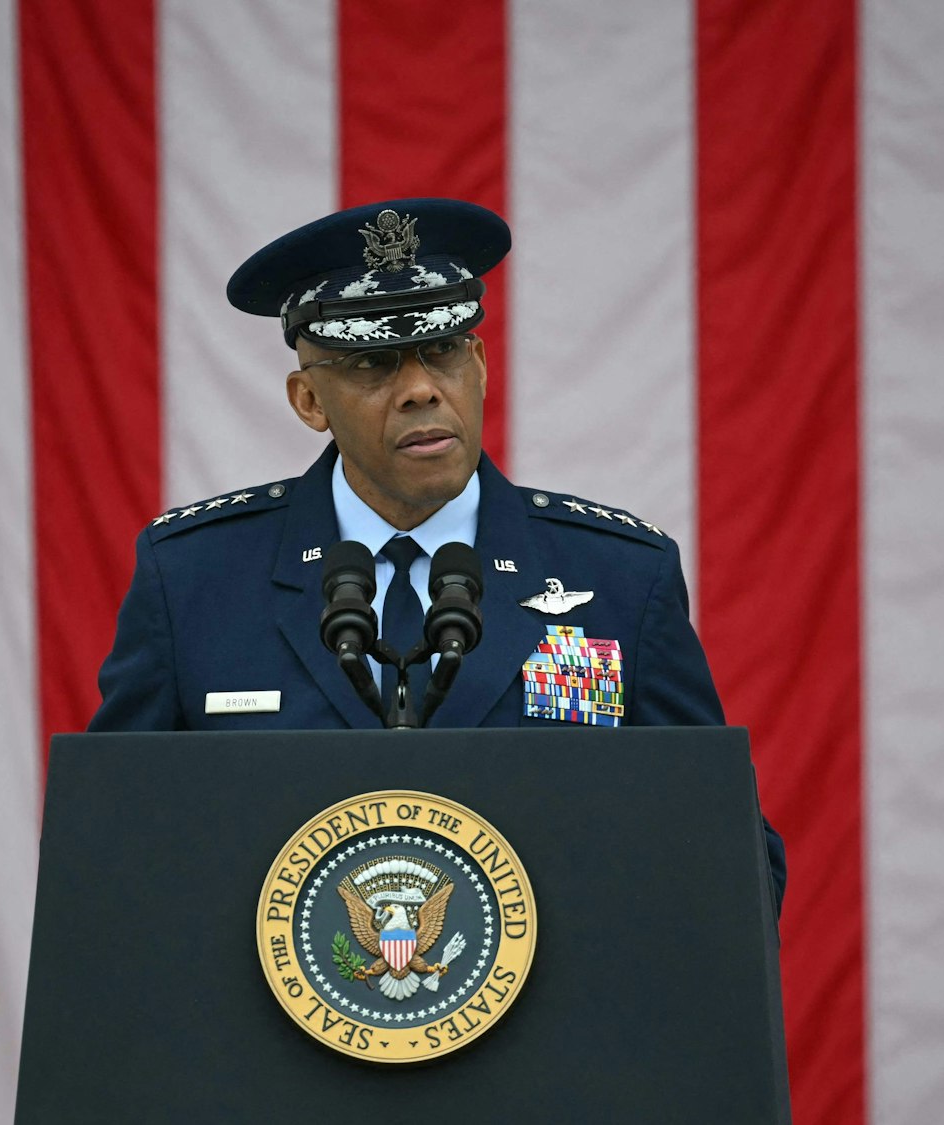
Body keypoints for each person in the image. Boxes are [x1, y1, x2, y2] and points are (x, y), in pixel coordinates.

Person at [88, 198, 784, 906]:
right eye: (373, 364)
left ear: (478, 363)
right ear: (308, 401)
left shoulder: (621, 578)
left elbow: (730, 859)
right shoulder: (193, 582)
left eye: (443, 350)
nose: (421, 389)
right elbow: (107, 855)